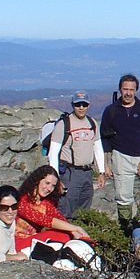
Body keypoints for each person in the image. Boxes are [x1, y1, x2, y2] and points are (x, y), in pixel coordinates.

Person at [101, 73, 140, 230]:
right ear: (120, 90)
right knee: (123, 198)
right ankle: (126, 230)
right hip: (120, 157)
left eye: (132, 89)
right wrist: (106, 165)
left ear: (136, 90)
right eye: (125, 89)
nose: (128, 93)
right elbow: (105, 139)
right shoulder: (111, 111)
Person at [46, 90, 106, 219]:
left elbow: (97, 147)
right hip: (70, 172)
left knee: (84, 207)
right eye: (78, 104)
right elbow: (53, 153)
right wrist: (55, 179)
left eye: (84, 104)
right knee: (67, 207)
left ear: (88, 105)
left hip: (87, 172)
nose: (81, 107)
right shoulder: (64, 124)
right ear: (73, 105)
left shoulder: (92, 123)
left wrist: (101, 172)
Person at [15, 165, 91, 253]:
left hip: (34, 240)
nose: (49, 189)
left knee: (66, 234)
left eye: (53, 186)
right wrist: (75, 228)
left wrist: (74, 231)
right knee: (62, 236)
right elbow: (45, 220)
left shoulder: (46, 204)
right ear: (37, 181)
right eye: (47, 183)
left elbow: (61, 219)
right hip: (18, 242)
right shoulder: (22, 201)